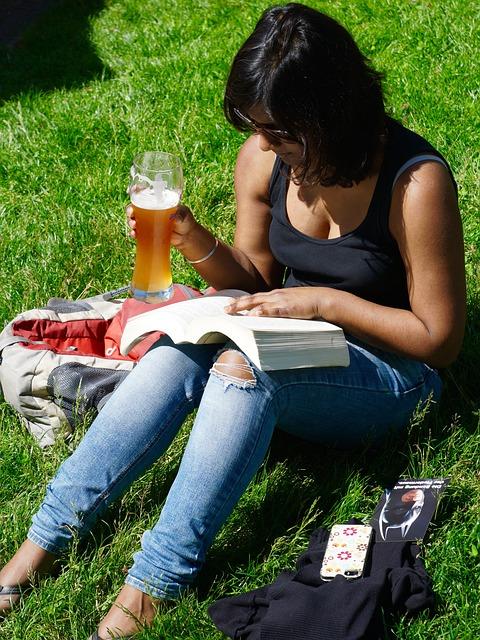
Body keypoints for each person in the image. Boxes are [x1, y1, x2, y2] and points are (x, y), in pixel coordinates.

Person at [0, 3, 465, 638]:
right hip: (294, 339)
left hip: (393, 374)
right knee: (175, 350)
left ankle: (151, 587)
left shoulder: (416, 182)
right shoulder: (265, 158)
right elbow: (256, 279)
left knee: (246, 370)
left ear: (329, 113)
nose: (265, 142)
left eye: (280, 130)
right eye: (256, 125)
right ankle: (37, 548)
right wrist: (192, 238)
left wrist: (322, 302)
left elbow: (439, 340)